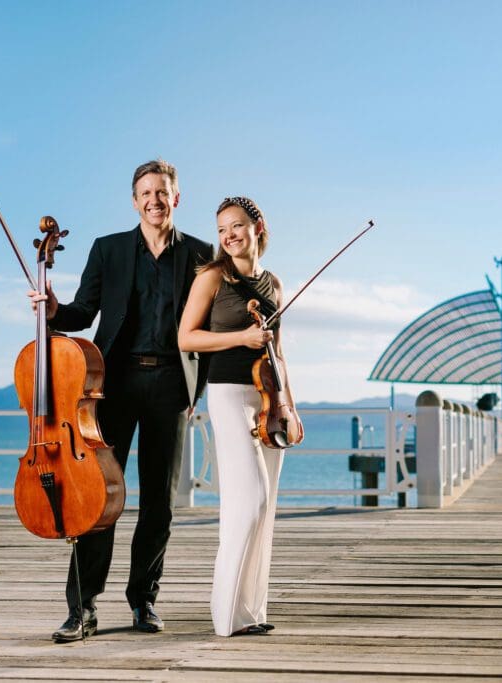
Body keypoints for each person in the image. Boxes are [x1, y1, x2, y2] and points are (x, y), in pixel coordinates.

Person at [28, 160, 213, 643]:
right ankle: (82, 608)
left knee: (159, 503)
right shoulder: (107, 249)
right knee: (97, 498)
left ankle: (143, 599)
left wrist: (197, 389)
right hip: (112, 385)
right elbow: (83, 312)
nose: (155, 200)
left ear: (177, 198)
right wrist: (54, 310)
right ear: (134, 202)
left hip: (170, 386)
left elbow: (209, 327)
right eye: (146, 193)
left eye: (163, 192)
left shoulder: (201, 253)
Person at [178, 196, 287, 636]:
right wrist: (241, 336)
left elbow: (279, 352)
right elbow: (186, 337)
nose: (228, 236)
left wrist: (288, 405)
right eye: (222, 229)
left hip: (268, 397)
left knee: (267, 507)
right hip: (227, 394)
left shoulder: (274, 283)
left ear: (257, 227)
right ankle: (225, 616)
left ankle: (251, 612)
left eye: (237, 226)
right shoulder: (212, 277)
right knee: (250, 501)